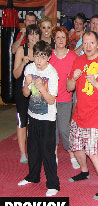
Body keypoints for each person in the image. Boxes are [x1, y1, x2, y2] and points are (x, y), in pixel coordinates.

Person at [67, 31, 98, 200]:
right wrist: (73, 79)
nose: (87, 47)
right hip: (78, 114)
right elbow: (68, 88)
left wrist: (96, 83)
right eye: (85, 43)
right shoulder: (78, 60)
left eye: (91, 43)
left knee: (93, 152)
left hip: (96, 116)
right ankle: (84, 171)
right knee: (75, 147)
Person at [18, 40, 60, 197]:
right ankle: (33, 176)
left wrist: (42, 87)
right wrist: (26, 84)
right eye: (36, 56)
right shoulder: (29, 68)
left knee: (47, 151)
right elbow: (25, 94)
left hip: (48, 119)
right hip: (32, 115)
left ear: (48, 57)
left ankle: (53, 184)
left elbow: (51, 100)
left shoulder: (52, 73)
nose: (38, 60)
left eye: (42, 57)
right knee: (33, 149)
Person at [49, 26, 79, 169]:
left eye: (63, 37)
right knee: (52, 129)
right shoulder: (49, 55)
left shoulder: (73, 56)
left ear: (66, 39)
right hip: (50, 99)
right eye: (58, 37)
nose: (60, 40)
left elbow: (78, 77)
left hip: (66, 98)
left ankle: (72, 154)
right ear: (54, 39)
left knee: (64, 129)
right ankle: (54, 154)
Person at [13, 24, 41, 163]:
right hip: (21, 91)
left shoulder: (41, 51)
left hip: (36, 92)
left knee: (35, 121)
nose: (34, 37)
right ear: (27, 36)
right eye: (31, 34)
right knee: (22, 120)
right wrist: (23, 63)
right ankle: (23, 153)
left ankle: (35, 149)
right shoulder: (21, 50)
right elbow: (16, 74)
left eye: (36, 34)